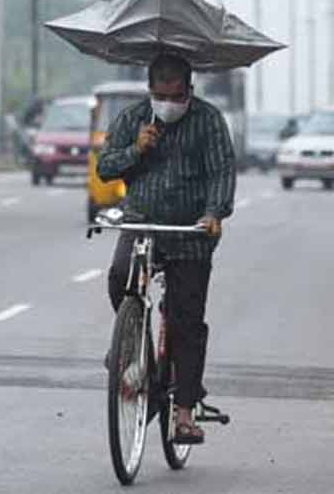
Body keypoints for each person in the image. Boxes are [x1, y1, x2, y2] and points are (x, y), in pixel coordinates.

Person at [97, 53, 236, 445]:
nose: (168, 103)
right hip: (143, 221)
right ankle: (130, 350)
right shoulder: (132, 118)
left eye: (175, 96)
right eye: (161, 95)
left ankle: (185, 413)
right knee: (119, 277)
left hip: (191, 232)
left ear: (189, 91)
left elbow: (222, 172)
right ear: (150, 90)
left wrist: (214, 212)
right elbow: (105, 168)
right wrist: (136, 150)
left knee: (186, 321)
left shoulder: (208, 121)